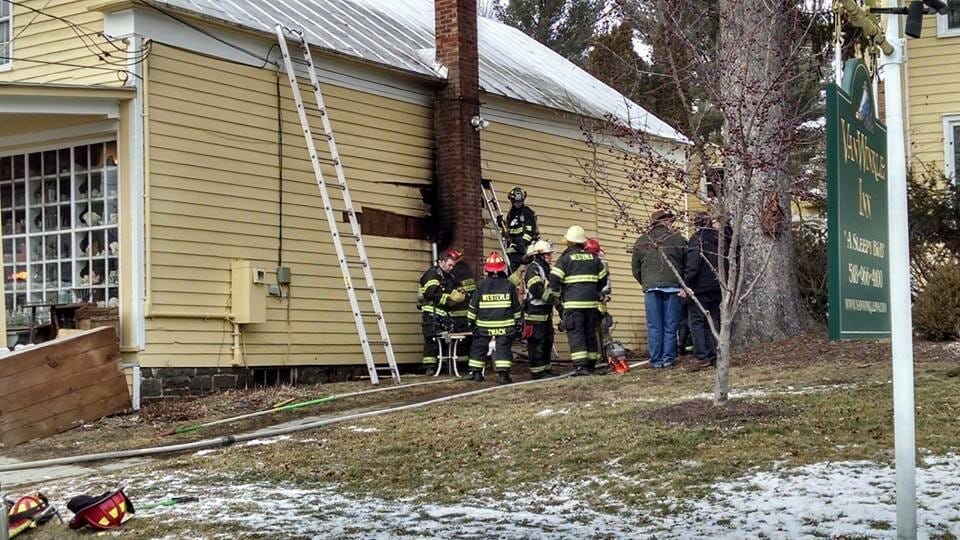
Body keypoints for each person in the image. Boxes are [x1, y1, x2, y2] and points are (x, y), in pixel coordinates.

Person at [549, 225, 608, 376]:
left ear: (569, 242)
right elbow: (602, 280)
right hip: (592, 304)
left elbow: (554, 278)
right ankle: (591, 364)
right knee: (589, 332)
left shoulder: (565, 258)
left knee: (576, 334)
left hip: (572, 304)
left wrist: (556, 294)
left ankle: (581, 367)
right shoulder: (593, 258)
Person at [631, 209, 685, 368]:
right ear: (666, 221)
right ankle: (668, 359)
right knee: (670, 325)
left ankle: (656, 360)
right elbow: (686, 262)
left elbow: (635, 269)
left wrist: (646, 282)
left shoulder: (641, 241)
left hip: (651, 289)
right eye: (670, 221)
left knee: (654, 326)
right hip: (673, 288)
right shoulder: (677, 239)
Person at [467, 252, 522, 384]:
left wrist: (470, 322)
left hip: (484, 325)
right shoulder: (509, 285)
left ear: (487, 269)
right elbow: (516, 307)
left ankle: (477, 374)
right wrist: (518, 322)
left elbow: (473, 306)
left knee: (479, 347)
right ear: (502, 268)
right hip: (505, 325)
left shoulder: (481, 285)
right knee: (503, 348)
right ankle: (503, 375)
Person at [681, 213, 722, 371]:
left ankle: (702, 356)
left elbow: (693, 264)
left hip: (700, 288)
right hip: (718, 286)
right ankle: (714, 355)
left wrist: (685, 283)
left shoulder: (697, 239)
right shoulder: (720, 239)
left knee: (696, 321)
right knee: (712, 322)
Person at [418, 249, 466, 374]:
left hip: (444, 314)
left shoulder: (450, 277)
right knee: (432, 340)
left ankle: (443, 365)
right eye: (449, 265)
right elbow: (430, 293)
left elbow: (459, 288)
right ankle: (430, 367)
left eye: (453, 266)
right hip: (431, 313)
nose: (451, 268)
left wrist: (461, 293)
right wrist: (449, 298)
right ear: (441, 261)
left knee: (445, 341)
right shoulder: (432, 274)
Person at [523, 240, 558, 379]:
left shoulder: (546, 268)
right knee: (536, 342)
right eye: (548, 254)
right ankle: (537, 372)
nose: (550, 257)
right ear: (540, 255)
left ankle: (546, 368)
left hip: (545, 313)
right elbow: (536, 289)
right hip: (535, 313)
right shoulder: (533, 269)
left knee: (547, 340)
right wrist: (554, 301)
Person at [448, 248, 476, 358]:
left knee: (458, 343)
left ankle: (459, 364)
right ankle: (466, 363)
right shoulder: (467, 269)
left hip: (456, 313)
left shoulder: (455, 271)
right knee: (468, 341)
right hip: (468, 312)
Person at [503, 187, 538, 271]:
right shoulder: (510, 214)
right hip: (512, 252)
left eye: (519, 201)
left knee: (524, 274)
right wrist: (502, 225)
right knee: (513, 277)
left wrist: (522, 243)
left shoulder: (526, 212)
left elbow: (529, 231)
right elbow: (508, 232)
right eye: (515, 201)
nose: (517, 203)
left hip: (523, 251)